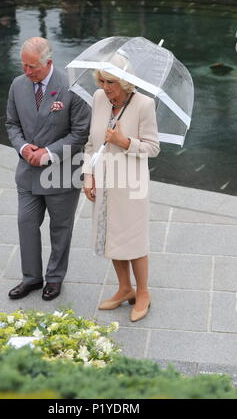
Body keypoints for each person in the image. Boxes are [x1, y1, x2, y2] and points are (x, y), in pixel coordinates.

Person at [6, 37, 91, 301]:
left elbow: (80, 134)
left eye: (32, 67)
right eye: (24, 66)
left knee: (60, 228)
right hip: (27, 173)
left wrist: (47, 153)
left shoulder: (72, 88)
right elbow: (11, 124)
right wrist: (23, 148)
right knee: (26, 223)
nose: (27, 72)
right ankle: (31, 278)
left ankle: (54, 279)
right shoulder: (18, 85)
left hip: (61, 173)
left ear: (49, 63)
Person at [83, 63, 160, 322]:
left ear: (125, 83)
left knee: (134, 241)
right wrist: (88, 175)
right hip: (103, 182)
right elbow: (92, 143)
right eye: (102, 82)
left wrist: (124, 142)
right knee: (111, 237)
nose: (105, 88)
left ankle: (143, 293)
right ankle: (124, 288)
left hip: (131, 186)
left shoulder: (144, 105)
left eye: (111, 83)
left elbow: (153, 148)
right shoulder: (98, 99)